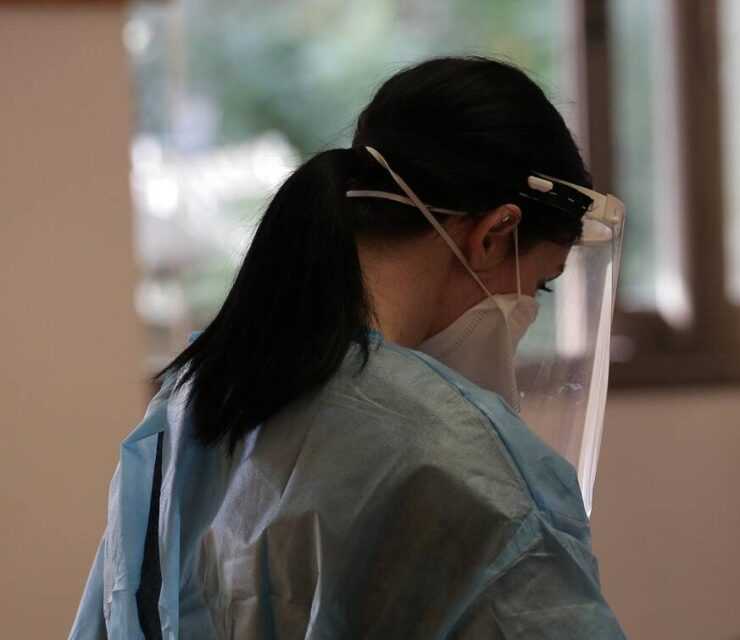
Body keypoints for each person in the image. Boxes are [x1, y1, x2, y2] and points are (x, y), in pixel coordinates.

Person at [69, 57, 627, 639]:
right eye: (539, 283)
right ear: (493, 236)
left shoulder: (192, 409)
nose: (528, 309)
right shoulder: (463, 466)